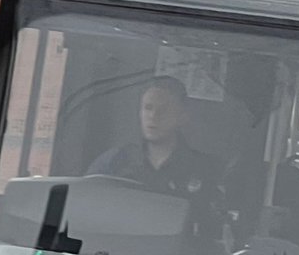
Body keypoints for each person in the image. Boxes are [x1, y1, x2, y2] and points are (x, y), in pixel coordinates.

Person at [87, 76, 221, 196]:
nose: (153, 116)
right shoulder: (114, 162)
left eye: (164, 110)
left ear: (182, 116)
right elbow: (85, 204)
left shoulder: (205, 171)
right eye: (148, 108)